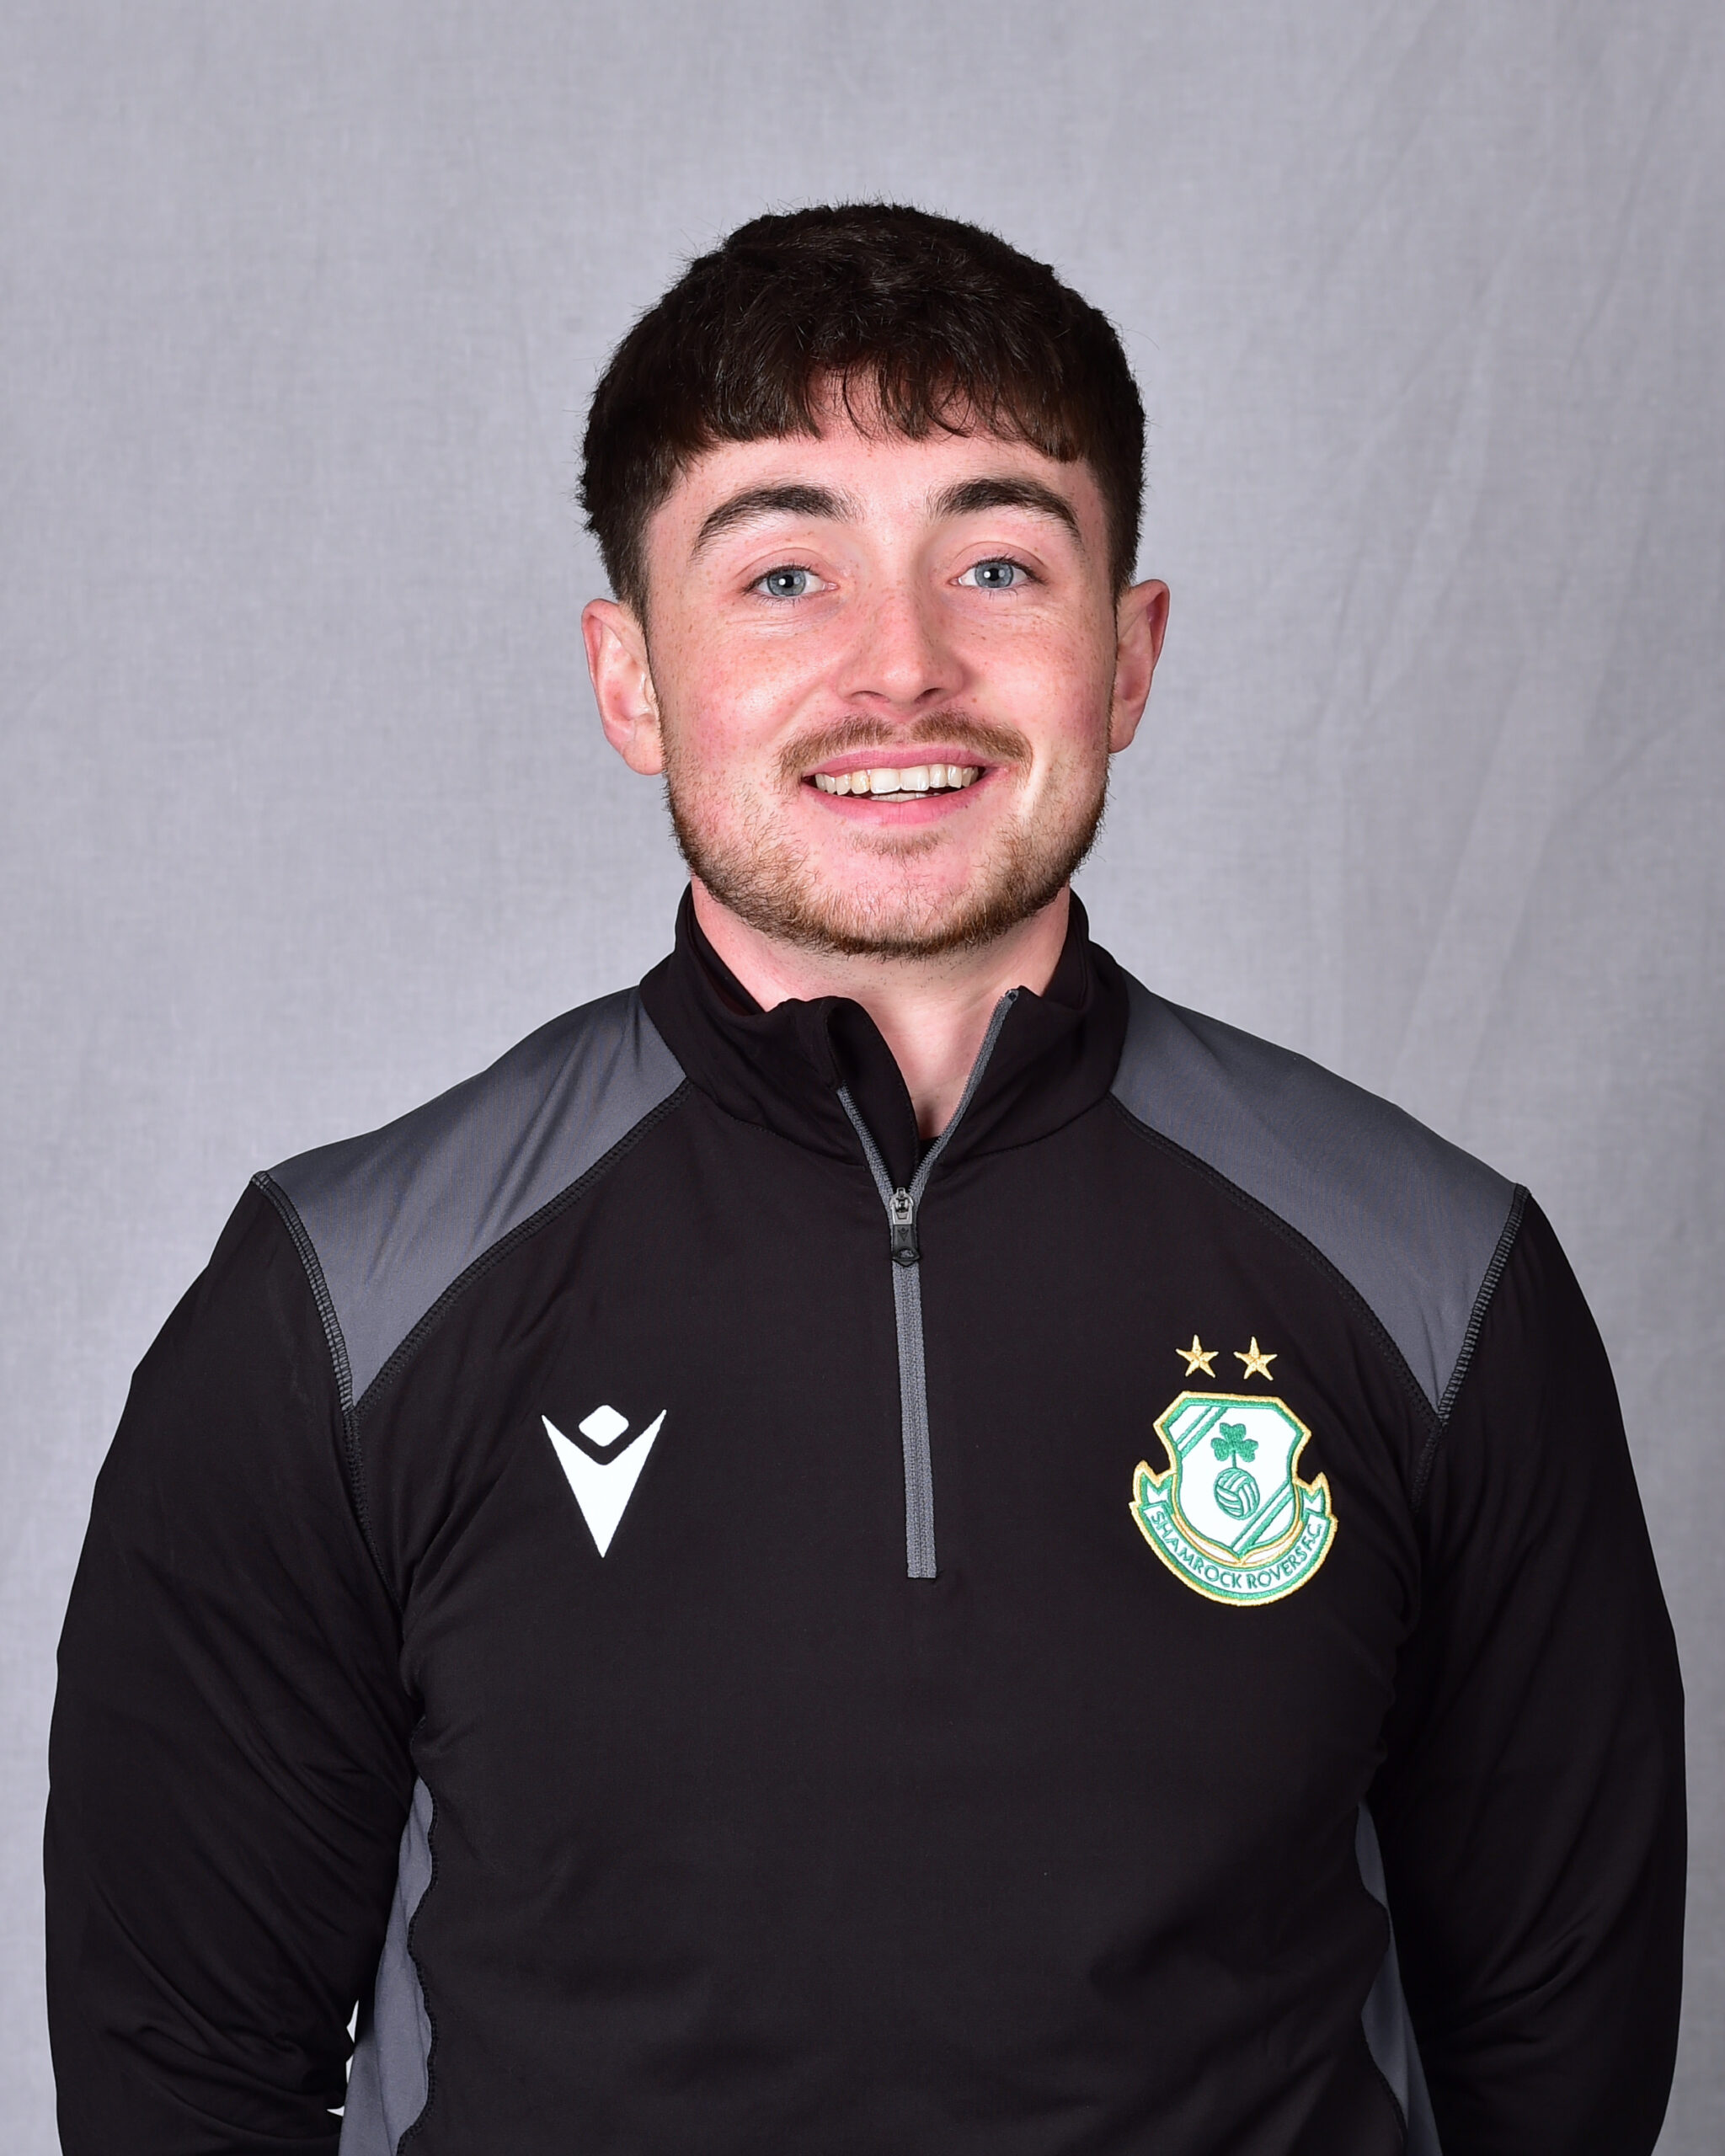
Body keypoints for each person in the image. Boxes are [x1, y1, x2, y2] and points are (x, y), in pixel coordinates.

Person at [46, 205, 1684, 2156]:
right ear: (631, 674)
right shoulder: (337, 1302)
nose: (900, 670)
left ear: (1127, 654)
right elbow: (183, 2069)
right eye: (784, 574)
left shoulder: (1437, 1276)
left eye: (997, 562)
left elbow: (1554, 2054)